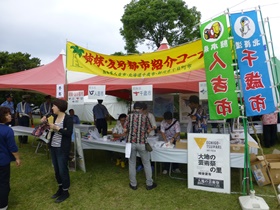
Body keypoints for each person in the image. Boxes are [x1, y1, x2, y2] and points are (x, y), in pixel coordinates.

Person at [41, 98, 73, 203]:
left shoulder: (68, 118)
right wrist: (44, 119)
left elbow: (69, 134)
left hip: (62, 148)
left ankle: (65, 191)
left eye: (54, 106)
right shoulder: (53, 116)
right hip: (53, 147)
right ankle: (60, 188)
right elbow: (46, 121)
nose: (52, 108)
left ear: (59, 107)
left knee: (62, 169)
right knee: (56, 169)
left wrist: (57, 128)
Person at [124, 102, 157, 190]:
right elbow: (149, 129)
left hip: (131, 143)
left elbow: (124, 130)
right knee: (146, 163)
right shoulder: (145, 117)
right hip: (142, 143)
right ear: (141, 109)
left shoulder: (128, 117)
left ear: (134, 108)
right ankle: (149, 184)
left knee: (132, 163)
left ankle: (133, 184)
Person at [0, 107, 21, 210]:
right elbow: (12, 147)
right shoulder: (7, 130)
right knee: (3, 183)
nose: (10, 116)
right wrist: (17, 158)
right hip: (3, 161)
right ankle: (3, 206)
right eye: (7, 114)